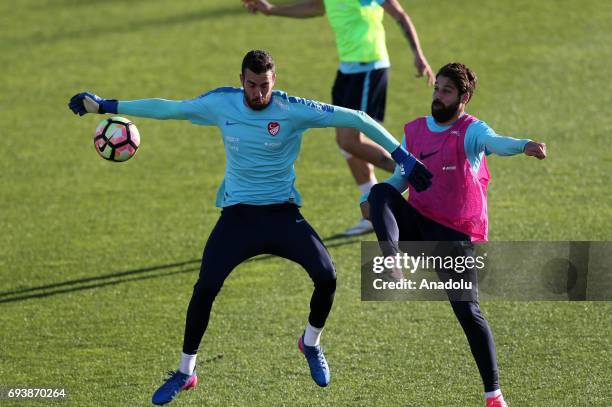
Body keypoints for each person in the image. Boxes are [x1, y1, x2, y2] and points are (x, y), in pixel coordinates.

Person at [68, 50, 432, 405]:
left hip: (283, 214)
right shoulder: (221, 104)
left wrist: (402, 156)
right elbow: (169, 108)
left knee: (327, 277)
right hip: (238, 217)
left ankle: (311, 342)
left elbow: (359, 119)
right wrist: (105, 106)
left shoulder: (293, 109)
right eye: (252, 85)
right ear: (240, 80)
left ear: (275, 81)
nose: (258, 94)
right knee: (205, 287)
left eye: (265, 86)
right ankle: (185, 372)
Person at [361, 62, 546, 407]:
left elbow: (494, 142)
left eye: (446, 91)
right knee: (379, 192)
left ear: (464, 97)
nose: (438, 96)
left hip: (455, 239)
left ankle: (494, 395)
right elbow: (400, 180)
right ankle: (393, 262)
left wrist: (523, 145)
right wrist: (371, 198)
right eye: (437, 89)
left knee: (468, 313)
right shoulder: (415, 131)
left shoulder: (471, 130)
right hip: (419, 227)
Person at [244, 0, 434, 236]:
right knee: (347, 146)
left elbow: (399, 14)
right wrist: (271, 10)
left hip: (369, 67)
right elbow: (317, 7)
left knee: (349, 140)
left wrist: (418, 54)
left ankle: (416, 175)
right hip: (346, 72)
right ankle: (375, 213)